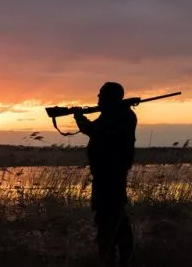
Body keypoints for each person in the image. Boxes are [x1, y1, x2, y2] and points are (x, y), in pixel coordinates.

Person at [72, 82, 137, 267]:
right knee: (112, 215)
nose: (98, 98)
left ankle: (114, 257)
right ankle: (119, 257)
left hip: (111, 176)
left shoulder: (120, 115)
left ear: (110, 98)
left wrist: (80, 118)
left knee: (110, 216)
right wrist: (80, 118)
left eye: (101, 95)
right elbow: (93, 131)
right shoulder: (115, 114)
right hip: (106, 175)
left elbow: (95, 131)